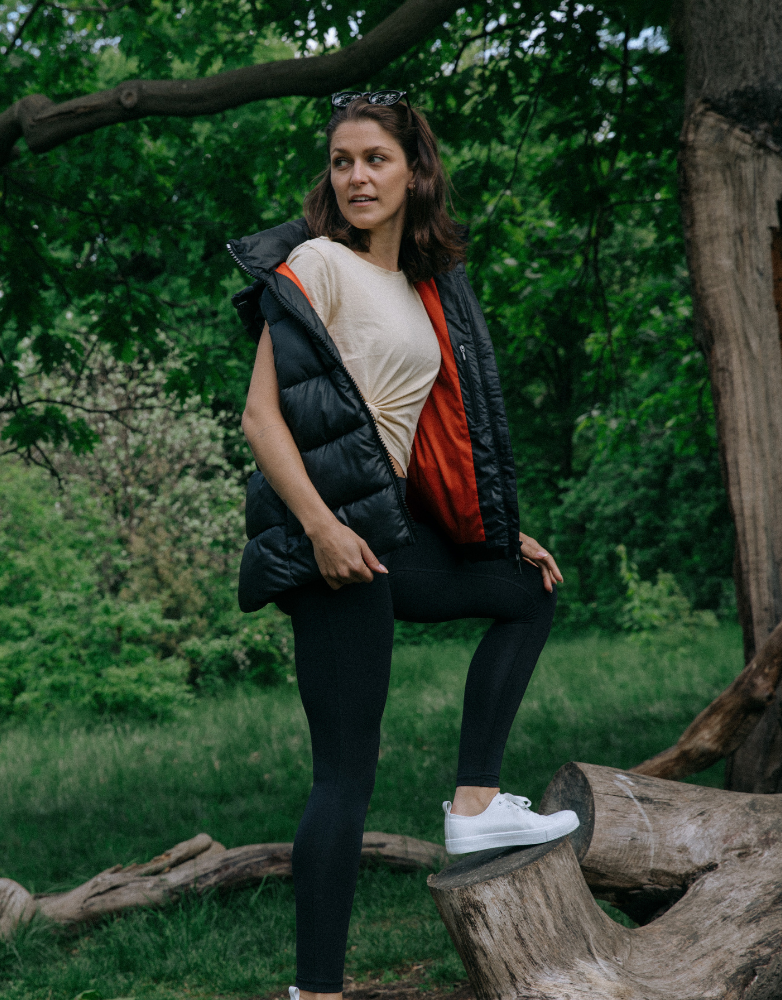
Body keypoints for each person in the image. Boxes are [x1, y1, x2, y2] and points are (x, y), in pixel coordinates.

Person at [228, 90, 581, 1000]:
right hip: (326, 541)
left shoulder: (425, 292)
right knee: (346, 772)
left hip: (386, 527)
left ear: (415, 171)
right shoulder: (317, 264)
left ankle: (474, 805)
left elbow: (419, 441)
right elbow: (261, 418)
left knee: (524, 589)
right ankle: (318, 991)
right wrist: (319, 528)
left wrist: (504, 532)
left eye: (375, 159)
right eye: (342, 161)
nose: (356, 177)